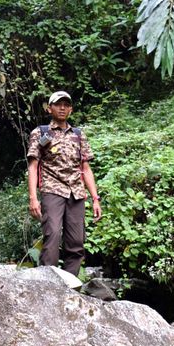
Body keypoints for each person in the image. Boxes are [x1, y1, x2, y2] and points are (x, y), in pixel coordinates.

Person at [26, 91, 102, 276]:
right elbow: (33, 166)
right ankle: (47, 280)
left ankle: (69, 283)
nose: (62, 108)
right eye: (58, 104)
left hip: (76, 192)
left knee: (76, 241)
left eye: (66, 105)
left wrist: (95, 198)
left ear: (71, 109)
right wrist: (33, 198)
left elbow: (86, 168)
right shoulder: (41, 132)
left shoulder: (78, 135)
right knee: (52, 234)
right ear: (49, 108)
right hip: (52, 189)